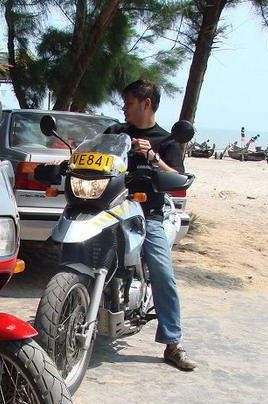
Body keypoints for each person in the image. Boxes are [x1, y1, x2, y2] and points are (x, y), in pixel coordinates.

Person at [104, 79, 198, 371]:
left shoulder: (166, 141)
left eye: (128, 102)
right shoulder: (115, 133)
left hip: (148, 215)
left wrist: (152, 157)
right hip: (108, 210)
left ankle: (173, 344)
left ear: (146, 104)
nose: (123, 108)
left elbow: (178, 178)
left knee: (162, 271)